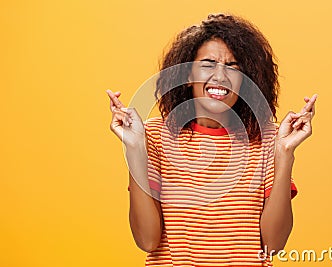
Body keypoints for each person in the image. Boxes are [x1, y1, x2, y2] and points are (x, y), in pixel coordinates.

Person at [107, 13, 317, 267]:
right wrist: (134, 150)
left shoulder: (269, 138)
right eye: (207, 64)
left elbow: (273, 246)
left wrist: (285, 153)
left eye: (233, 67)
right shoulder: (153, 136)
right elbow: (147, 241)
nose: (220, 76)